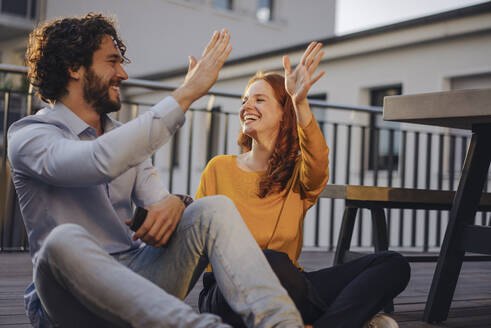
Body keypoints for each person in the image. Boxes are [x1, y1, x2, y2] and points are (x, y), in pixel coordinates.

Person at [7, 13, 305, 328]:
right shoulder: (29, 136)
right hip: (67, 301)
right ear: (74, 68)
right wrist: (186, 94)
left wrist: (179, 204)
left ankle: (283, 323)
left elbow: (160, 207)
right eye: (112, 62)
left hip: (138, 283)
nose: (122, 73)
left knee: (214, 208)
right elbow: (97, 161)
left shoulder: (123, 138)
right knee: (61, 241)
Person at [196, 42, 411, 328]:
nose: (246, 106)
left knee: (392, 264)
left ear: (284, 113)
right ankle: (344, 319)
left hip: (291, 283)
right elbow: (197, 238)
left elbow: (319, 161)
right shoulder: (218, 168)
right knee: (269, 262)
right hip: (227, 291)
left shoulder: (299, 174)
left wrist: (300, 103)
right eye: (245, 100)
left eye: (259, 100)